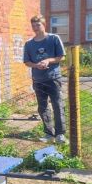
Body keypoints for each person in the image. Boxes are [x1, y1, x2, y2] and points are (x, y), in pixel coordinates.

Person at [23, 14, 67, 144]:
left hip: (53, 78)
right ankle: (49, 133)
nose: (36, 28)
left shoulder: (54, 39)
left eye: (38, 25)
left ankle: (60, 134)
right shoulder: (29, 44)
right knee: (42, 107)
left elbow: (61, 57)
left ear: (44, 25)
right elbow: (26, 61)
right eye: (33, 26)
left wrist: (48, 60)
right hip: (38, 79)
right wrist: (36, 65)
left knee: (58, 105)